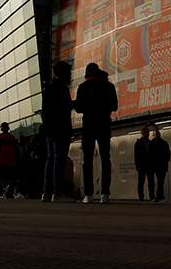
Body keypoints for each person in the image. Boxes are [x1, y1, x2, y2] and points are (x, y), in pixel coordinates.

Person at [75, 62, 118, 203]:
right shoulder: (109, 86)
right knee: (105, 158)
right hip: (104, 124)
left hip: (88, 126)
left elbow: (78, 109)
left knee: (87, 160)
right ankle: (105, 194)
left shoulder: (83, 87)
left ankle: (89, 194)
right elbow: (114, 106)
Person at [42, 61, 74, 202]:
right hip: (61, 130)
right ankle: (58, 193)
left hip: (50, 130)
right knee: (59, 161)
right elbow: (65, 108)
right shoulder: (62, 88)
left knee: (51, 160)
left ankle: (47, 193)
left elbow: (46, 111)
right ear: (63, 73)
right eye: (69, 72)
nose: (71, 75)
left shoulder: (50, 89)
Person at [0, 122, 19, 198]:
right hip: (11, 161)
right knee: (10, 177)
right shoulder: (12, 138)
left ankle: (5, 185)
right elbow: (16, 150)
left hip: (1, 160)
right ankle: (9, 192)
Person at [150, 129, 171, 202]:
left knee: (160, 181)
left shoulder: (152, 143)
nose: (157, 135)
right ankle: (160, 196)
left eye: (158, 134)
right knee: (160, 181)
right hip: (159, 165)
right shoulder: (164, 143)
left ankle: (158, 196)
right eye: (156, 134)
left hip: (159, 165)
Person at [134, 127, 154, 201]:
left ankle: (151, 196)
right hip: (142, 166)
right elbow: (136, 155)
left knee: (151, 182)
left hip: (149, 165)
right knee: (141, 182)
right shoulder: (138, 143)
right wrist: (138, 166)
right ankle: (141, 197)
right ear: (143, 133)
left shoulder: (150, 143)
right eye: (147, 133)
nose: (148, 134)